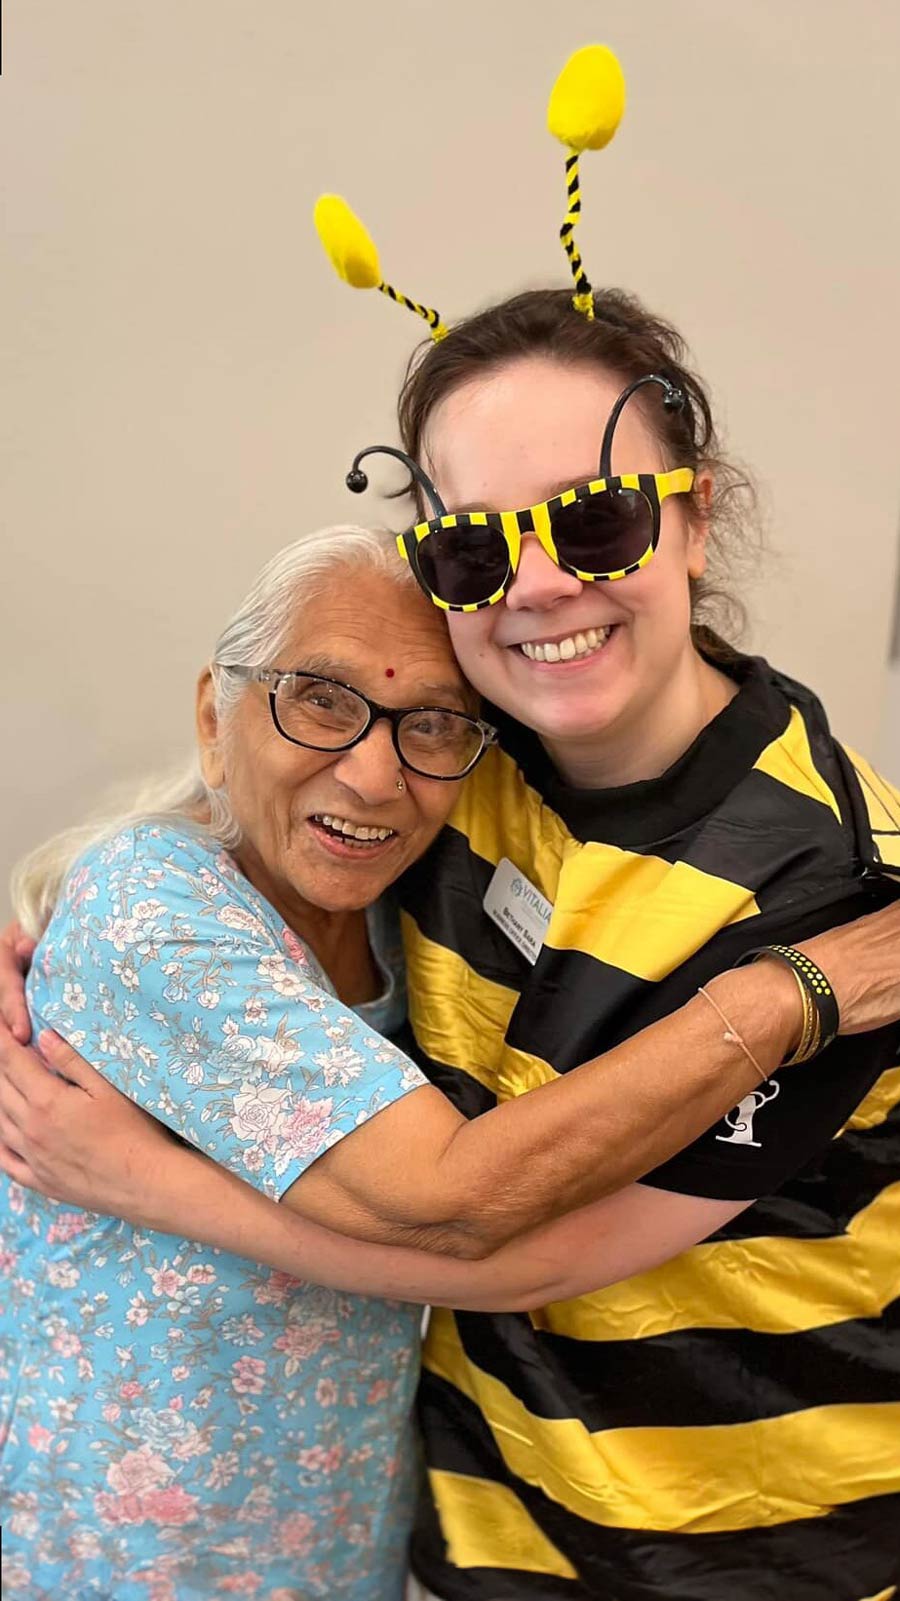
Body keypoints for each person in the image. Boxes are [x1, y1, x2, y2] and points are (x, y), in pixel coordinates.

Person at [3, 41, 900, 1601]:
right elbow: (258, 795)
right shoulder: (455, 756)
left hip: (749, 1557)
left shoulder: (837, 890)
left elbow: (519, 1241)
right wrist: (56, 910)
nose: (539, 586)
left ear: (693, 513)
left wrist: (139, 1178)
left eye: (600, 518)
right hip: (473, 1538)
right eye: (479, 548)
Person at [8, 521, 895, 1601]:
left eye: (432, 722)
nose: (375, 773)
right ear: (215, 713)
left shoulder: (407, 896)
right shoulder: (156, 913)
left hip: (344, 1516)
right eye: (320, 699)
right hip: (128, 1543)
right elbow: (459, 1202)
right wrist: (792, 989)